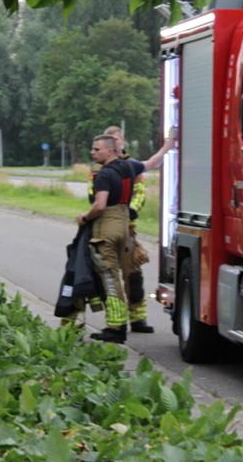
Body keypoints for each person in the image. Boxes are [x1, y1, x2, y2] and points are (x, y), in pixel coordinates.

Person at [78, 133, 174, 343]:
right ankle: (131, 320)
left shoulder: (103, 174)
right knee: (129, 275)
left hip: (107, 227)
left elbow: (100, 204)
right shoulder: (129, 167)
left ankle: (115, 326)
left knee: (110, 278)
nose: (92, 152)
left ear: (110, 150)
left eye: (96, 149)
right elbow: (152, 163)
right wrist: (168, 146)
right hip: (125, 226)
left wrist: (85, 218)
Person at [102, 126, 154, 333]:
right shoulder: (99, 168)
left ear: (121, 142)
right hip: (106, 227)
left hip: (129, 230)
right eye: (110, 140)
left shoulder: (132, 167)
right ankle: (115, 321)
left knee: (133, 275)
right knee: (108, 276)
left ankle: (138, 318)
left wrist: (131, 209)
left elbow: (140, 192)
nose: (115, 143)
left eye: (117, 139)